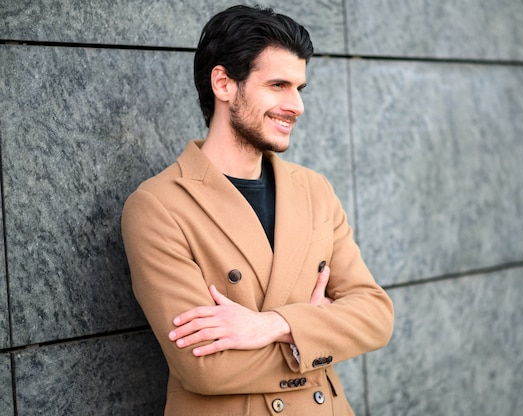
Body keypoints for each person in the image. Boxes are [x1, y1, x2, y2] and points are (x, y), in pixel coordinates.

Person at [121, 5, 394, 415]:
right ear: (224, 83)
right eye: (279, 85)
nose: (297, 105)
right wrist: (319, 333)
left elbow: (375, 315)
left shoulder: (314, 190)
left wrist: (272, 325)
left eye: (300, 88)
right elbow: (207, 367)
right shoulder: (159, 206)